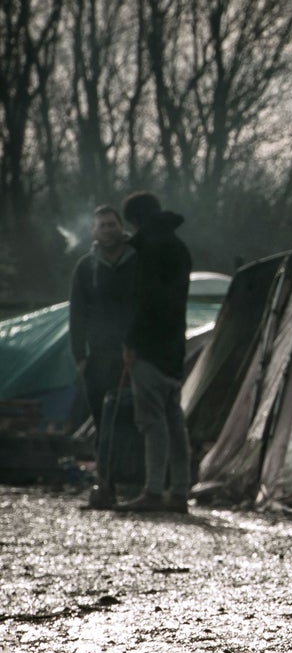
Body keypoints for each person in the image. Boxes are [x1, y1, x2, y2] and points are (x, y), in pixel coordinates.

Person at [116, 191, 192, 514]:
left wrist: (130, 343)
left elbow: (143, 301)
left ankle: (152, 490)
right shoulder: (179, 248)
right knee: (175, 422)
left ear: (135, 220)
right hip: (174, 347)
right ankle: (179, 492)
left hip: (148, 347)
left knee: (152, 422)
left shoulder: (147, 249)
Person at [68, 205, 137, 509]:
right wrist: (79, 355)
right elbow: (77, 313)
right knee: (102, 420)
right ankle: (105, 484)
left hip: (134, 353)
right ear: (94, 232)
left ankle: (134, 484)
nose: (108, 230)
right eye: (102, 226)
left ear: (121, 227)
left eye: (112, 225)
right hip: (98, 355)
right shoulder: (86, 267)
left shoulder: (137, 261)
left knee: (135, 419)